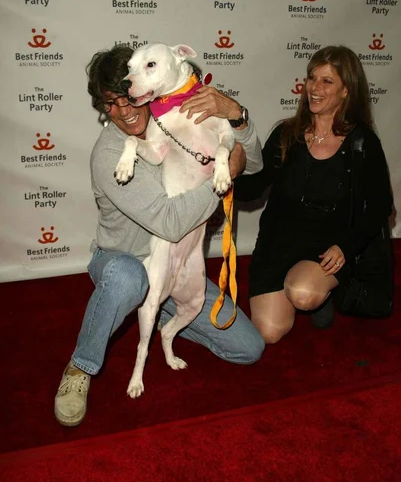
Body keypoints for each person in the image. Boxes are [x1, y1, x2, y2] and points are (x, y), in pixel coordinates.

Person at [54, 45, 265, 427]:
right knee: (127, 278)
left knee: (249, 349)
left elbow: (254, 162)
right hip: (123, 259)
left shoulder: (172, 119)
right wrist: (224, 176)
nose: (125, 109)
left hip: (173, 259)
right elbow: (168, 223)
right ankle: (79, 367)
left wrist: (236, 116)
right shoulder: (109, 153)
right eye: (111, 103)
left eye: (129, 95)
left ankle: (164, 318)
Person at [234, 45, 393, 344]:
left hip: (328, 246)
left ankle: (324, 295)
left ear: (346, 91)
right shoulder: (287, 134)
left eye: (327, 81)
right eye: (311, 78)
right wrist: (224, 173)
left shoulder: (362, 142)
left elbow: (380, 205)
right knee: (268, 333)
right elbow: (254, 187)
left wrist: (346, 246)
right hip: (280, 242)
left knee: (304, 293)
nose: (314, 88)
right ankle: (305, 289)